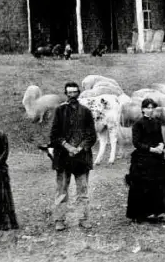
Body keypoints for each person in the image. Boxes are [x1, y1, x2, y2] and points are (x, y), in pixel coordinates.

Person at [49, 82, 97, 231]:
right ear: (66, 94)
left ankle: (84, 218)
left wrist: (80, 148)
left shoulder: (86, 112)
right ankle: (59, 219)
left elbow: (91, 135)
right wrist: (68, 146)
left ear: (79, 93)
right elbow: (54, 135)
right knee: (62, 190)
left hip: (81, 158)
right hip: (63, 157)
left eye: (75, 92)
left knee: (82, 191)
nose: (72, 96)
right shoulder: (59, 111)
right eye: (69, 93)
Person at [126, 98, 165, 224]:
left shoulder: (156, 122)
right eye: (147, 107)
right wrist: (151, 149)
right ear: (142, 109)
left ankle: (155, 212)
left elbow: (160, 139)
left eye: (152, 107)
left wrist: (161, 146)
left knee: (159, 185)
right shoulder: (138, 124)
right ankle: (140, 215)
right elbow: (136, 143)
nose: (150, 110)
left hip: (157, 159)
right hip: (142, 159)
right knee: (142, 186)